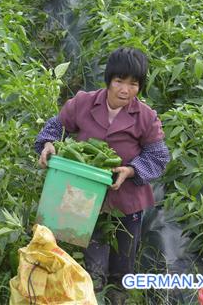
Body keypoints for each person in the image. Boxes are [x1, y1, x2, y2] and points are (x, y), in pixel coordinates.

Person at [34, 47, 170, 305]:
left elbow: (158, 156)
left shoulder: (146, 117)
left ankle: (118, 297)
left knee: (123, 260)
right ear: (108, 79)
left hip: (126, 202)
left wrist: (131, 170)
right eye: (119, 81)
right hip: (84, 197)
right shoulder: (84, 103)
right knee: (92, 257)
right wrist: (49, 144)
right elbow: (55, 127)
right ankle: (92, 294)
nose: (125, 90)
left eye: (133, 84)